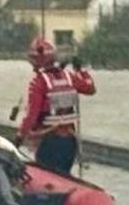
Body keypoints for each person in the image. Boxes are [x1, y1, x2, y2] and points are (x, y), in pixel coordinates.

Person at [15, 37, 96, 176]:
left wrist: (19, 137)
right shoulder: (69, 77)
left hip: (49, 141)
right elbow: (90, 88)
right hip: (70, 142)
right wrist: (81, 70)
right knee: (64, 176)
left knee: (47, 177)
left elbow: (32, 116)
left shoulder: (39, 83)